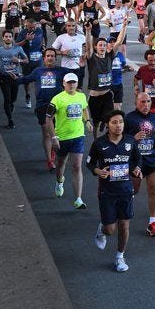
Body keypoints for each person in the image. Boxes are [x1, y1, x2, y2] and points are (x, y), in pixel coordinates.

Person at [87, 110, 142, 273]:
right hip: (107, 192)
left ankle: (120, 256)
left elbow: (137, 159)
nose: (118, 125)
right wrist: (98, 171)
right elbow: (90, 163)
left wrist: (137, 168)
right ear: (108, 125)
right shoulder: (99, 143)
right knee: (110, 229)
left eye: (120, 122)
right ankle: (101, 230)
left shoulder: (130, 141)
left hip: (126, 190)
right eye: (114, 122)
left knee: (124, 225)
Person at [14, 48, 67, 170]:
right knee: (47, 133)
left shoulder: (62, 71)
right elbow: (26, 79)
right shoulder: (38, 71)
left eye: (52, 56)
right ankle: (49, 160)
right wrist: (15, 79)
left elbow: (75, 76)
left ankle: (55, 151)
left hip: (59, 106)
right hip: (42, 106)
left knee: (58, 132)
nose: (50, 58)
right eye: (48, 55)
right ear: (44, 58)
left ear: (55, 58)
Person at [47, 72, 92, 210]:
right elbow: (48, 119)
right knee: (61, 164)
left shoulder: (81, 96)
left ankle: (78, 199)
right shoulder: (57, 99)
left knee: (77, 166)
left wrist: (87, 121)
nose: (71, 85)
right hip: (62, 138)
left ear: (77, 84)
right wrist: (54, 137)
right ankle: (59, 181)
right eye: (69, 82)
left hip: (78, 136)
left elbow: (84, 108)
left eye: (74, 82)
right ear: (64, 84)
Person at [125, 93, 155, 237]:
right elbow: (120, 139)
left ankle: (152, 222)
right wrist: (132, 138)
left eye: (148, 101)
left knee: (153, 189)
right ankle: (123, 212)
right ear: (136, 103)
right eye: (142, 102)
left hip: (152, 160)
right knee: (134, 190)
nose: (146, 104)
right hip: (136, 162)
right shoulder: (129, 118)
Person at [85, 22, 127, 132]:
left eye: (104, 45)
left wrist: (124, 26)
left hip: (107, 94)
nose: (102, 47)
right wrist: (88, 31)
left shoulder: (110, 57)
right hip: (94, 96)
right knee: (96, 124)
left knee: (110, 118)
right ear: (96, 47)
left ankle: (106, 125)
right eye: (100, 45)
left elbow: (119, 41)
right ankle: (96, 141)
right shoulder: (92, 58)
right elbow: (88, 47)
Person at [0, 30, 28, 129]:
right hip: (4, 76)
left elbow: (26, 60)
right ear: (3, 38)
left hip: (15, 77)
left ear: (12, 38)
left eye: (10, 36)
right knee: (7, 98)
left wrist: (18, 60)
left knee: (13, 98)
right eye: (6, 36)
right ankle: (10, 120)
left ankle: (11, 105)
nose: (8, 38)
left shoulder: (18, 48)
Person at [14, 18, 44, 108]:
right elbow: (16, 45)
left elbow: (41, 40)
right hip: (26, 60)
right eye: (30, 27)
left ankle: (39, 99)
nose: (32, 29)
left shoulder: (39, 31)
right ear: (26, 26)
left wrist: (43, 48)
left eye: (33, 27)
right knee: (27, 79)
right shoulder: (23, 33)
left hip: (38, 60)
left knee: (38, 79)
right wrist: (26, 40)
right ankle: (27, 96)